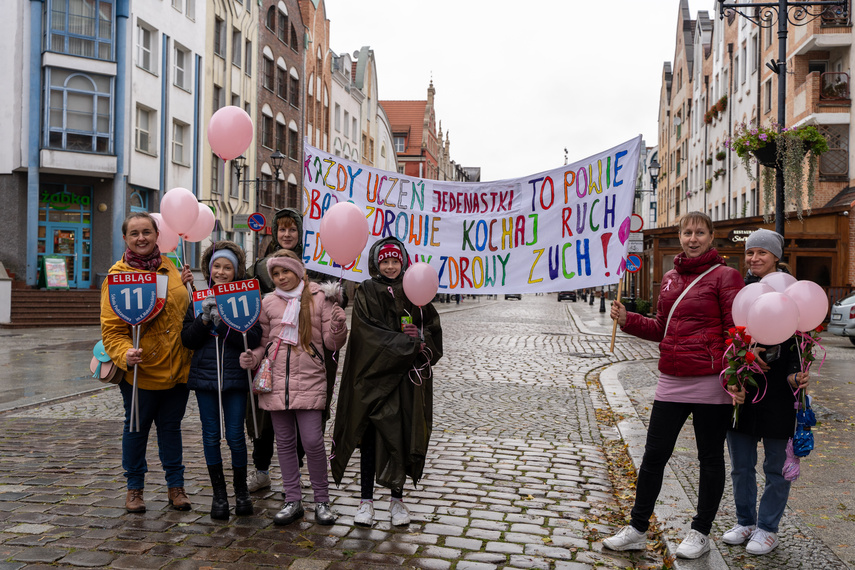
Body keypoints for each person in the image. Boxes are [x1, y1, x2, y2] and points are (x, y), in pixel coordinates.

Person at [602, 212, 744, 559]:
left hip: (711, 381)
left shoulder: (727, 276)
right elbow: (659, 328)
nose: (692, 239)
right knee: (653, 456)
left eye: (699, 232)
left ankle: (700, 532)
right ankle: (636, 529)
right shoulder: (669, 278)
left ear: (712, 236)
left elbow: (736, 332)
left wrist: (736, 377)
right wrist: (628, 319)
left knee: (709, 459)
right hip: (671, 380)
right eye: (687, 233)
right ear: (680, 237)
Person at [330, 237, 443, 527]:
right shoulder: (367, 291)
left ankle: (397, 500)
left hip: (405, 383)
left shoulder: (414, 289)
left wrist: (419, 340)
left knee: (400, 438)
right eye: (385, 261)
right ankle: (365, 501)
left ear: (403, 262)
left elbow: (431, 331)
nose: (391, 266)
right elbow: (368, 335)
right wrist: (404, 345)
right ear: (376, 263)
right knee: (369, 440)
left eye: (395, 261)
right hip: (374, 380)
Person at [239, 249, 348, 525]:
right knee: (285, 444)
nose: (280, 277)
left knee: (312, 441)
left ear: (298, 271)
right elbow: (264, 341)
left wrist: (337, 327)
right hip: (276, 383)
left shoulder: (319, 298)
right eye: (275, 273)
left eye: (285, 271)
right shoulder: (268, 303)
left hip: (310, 380)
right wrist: (253, 356)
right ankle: (293, 499)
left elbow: (332, 344)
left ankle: (322, 501)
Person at [722, 228, 809, 555]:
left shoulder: (795, 296)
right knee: (741, 465)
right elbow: (729, 340)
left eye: (761, 252)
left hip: (779, 397)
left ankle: (768, 528)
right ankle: (745, 521)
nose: (754, 258)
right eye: (749, 253)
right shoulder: (741, 291)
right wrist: (736, 368)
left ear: (776, 256)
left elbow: (800, 347)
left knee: (776, 467)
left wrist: (795, 376)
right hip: (745, 393)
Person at [100, 212, 194, 513]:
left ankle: (175, 486)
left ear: (157, 235)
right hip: (141, 372)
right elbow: (112, 330)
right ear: (125, 238)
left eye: (147, 232)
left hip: (177, 369)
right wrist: (125, 352)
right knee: (136, 429)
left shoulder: (172, 268)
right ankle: (135, 488)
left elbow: (184, 315)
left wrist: (189, 288)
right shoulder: (118, 276)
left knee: (171, 428)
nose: (142, 238)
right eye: (134, 233)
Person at [181, 241, 261, 519]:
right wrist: (204, 319)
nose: (222, 271)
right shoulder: (197, 297)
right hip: (205, 379)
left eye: (228, 267)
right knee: (211, 435)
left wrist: (225, 323)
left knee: (236, 436)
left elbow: (252, 338)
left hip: (235, 379)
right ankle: (219, 495)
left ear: (236, 271)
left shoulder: (246, 297)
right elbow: (187, 340)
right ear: (209, 268)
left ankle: (241, 492)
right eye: (217, 266)